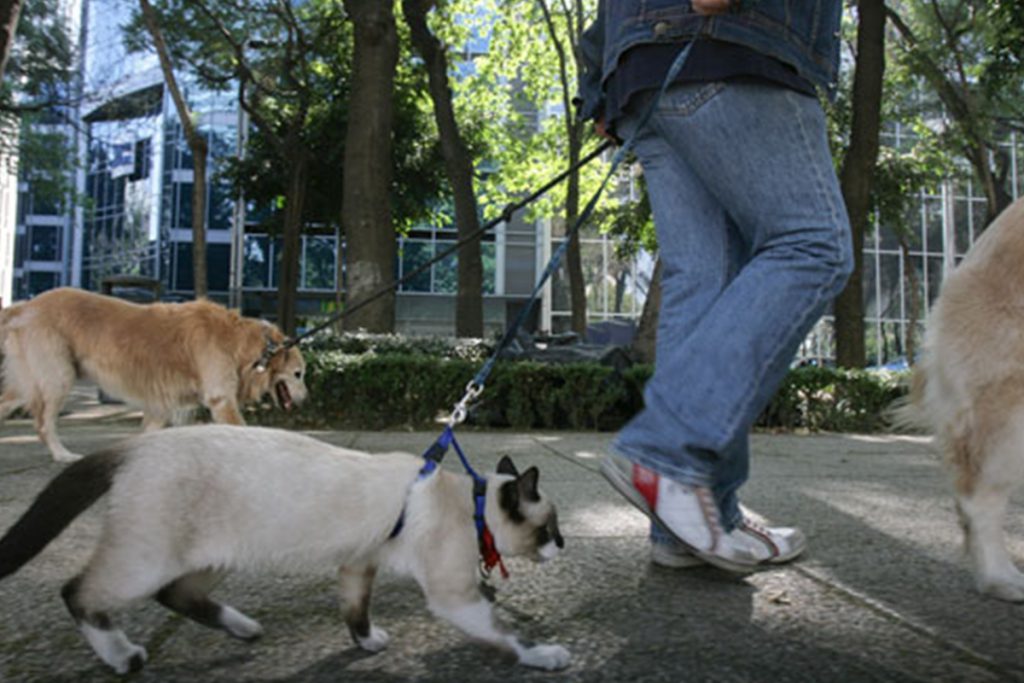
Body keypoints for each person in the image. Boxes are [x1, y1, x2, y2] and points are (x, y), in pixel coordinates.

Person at [577, 0, 853, 572]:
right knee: (813, 244)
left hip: (642, 75)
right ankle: (668, 452)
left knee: (704, 279)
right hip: (725, 49)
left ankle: (693, 520)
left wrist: (596, 82)